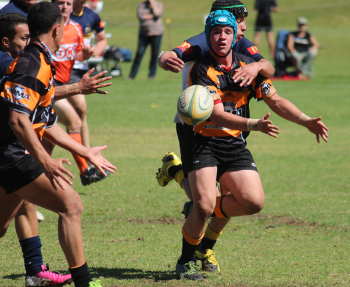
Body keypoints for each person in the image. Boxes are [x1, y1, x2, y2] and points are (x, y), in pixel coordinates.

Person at [171, 10, 328, 281]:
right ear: (208, 36)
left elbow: (276, 101)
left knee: (253, 202)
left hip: (232, 142)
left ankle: (191, 196)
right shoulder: (202, 69)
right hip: (202, 140)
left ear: (235, 36)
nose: (222, 37)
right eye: (216, 32)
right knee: (205, 205)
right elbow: (216, 115)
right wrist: (255, 124)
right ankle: (186, 261)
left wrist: (306, 121)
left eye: (228, 32)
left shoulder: (247, 67)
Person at [0, 3, 116, 287]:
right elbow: (17, 120)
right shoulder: (32, 64)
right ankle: (83, 282)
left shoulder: (40, 60)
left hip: (10, 152)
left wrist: (84, 151)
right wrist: (45, 160)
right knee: (71, 204)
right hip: (11, 154)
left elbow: (46, 122)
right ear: (56, 29)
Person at [157, 0, 276, 273]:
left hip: (232, 126)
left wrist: (256, 67)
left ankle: (205, 244)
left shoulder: (240, 42)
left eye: (239, 24)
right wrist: (164, 56)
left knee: (224, 199)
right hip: (197, 122)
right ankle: (194, 251)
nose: (244, 26)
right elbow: (176, 51)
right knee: (206, 201)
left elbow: (267, 67)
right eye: (240, 19)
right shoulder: (203, 40)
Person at [51, 0, 107, 186]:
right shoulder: (47, 29)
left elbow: (76, 55)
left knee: (49, 141)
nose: (65, 7)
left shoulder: (75, 28)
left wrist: (87, 54)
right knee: (73, 121)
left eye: (68, 3)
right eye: (60, 3)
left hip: (66, 81)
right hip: (48, 88)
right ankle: (85, 170)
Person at [69, 0, 107, 155]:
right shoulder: (63, 14)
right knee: (80, 111)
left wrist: (95, 51)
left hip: (81, 70)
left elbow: (102, 39)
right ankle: (86, 157)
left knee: (77, 115)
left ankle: (85, 155)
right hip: (66, 69)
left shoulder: (92, 16)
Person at [128, 0, 163, 80]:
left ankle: (152, 75)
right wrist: (152, 16)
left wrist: (153, 5)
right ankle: (132, 75)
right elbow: (141, 16)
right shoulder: (141, 5)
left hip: (157, 33)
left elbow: (158, 14)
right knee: (139, 53)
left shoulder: (158, 4)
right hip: (144, 34)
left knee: (154, 54)